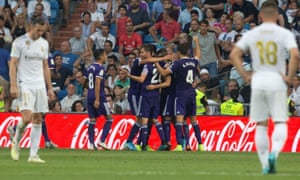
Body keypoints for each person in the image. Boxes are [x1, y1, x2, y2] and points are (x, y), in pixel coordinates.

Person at [229, 0, 299, 174]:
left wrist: (245, 75)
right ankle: (274, 153)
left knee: (261, 124)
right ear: (276, 15)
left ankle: (265, 165)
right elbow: (295, 55)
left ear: (260, 16)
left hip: (259, 80)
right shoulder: (284, 34)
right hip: (276, 80)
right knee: (280, 121)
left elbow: (234, 54)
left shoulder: (253, 33)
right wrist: (289, 77)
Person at [9, 17, 55, 163]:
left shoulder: (44, 43)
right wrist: (13, 85)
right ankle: (16, 140)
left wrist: (50, 88)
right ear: (30, 27)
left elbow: (45, 66)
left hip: (39, 84)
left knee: (38, 118)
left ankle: (33, 155)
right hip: (25, 83)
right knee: (27, 117)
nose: (40, 33)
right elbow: (13, 64)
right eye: (38, 30)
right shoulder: (19, 42)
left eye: (43, 30)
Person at [148, 36, 205, 151]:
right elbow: (199, 55)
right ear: (188, 51)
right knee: (194, 120)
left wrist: (156, 63)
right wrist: (197, 42)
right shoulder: (193, 61)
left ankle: (179, 145)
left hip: (181, 94)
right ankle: (200, 145)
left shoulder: (178, 64)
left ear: (178, 52)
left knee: (179, 120)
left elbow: (164, 73)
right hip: (191, 93)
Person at [85, 48, 113, 150]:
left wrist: (89, 91)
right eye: (105, 54)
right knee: (109, 118)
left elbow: (84, 81)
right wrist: (97, 99)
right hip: (99, 96)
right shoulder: (100, 68)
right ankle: (102, 140)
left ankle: (91, 144)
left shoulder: (89, 67)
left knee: (92, 119)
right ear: (101, 56)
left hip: (89, 95)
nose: (106, 57)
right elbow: (97, 83)